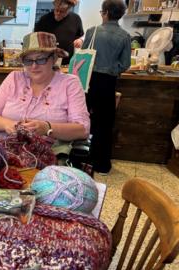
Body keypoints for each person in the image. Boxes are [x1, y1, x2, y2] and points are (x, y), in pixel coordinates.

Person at [0, 32, 90, 155]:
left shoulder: (69, 84)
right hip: (3, 154)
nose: (34, 66)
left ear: (54, 58)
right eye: (28, 60)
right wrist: (10, 125)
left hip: (48, 158)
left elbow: (83, 129)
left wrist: (47, 128)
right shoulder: (14, 78)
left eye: (41, 59)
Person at [82, 0, 131, 175]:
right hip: (108, 82)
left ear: (106, 12)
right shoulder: (125, 36)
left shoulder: (92, 31)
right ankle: (102, 164)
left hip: (89, 81)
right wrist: (111, 69)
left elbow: (83, 57)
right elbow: (125, 64)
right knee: (105, 123)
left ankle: (82, 159)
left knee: (83, 119)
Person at [34, 0, 84, 65]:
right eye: (56, 10)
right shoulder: (44, 19)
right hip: (46, 62)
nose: (58, 13)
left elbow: (81, 36)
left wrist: (80, 40)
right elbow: (35, 38)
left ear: (69, 10)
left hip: (67, 62)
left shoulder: (76, 19)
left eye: (62, 11)